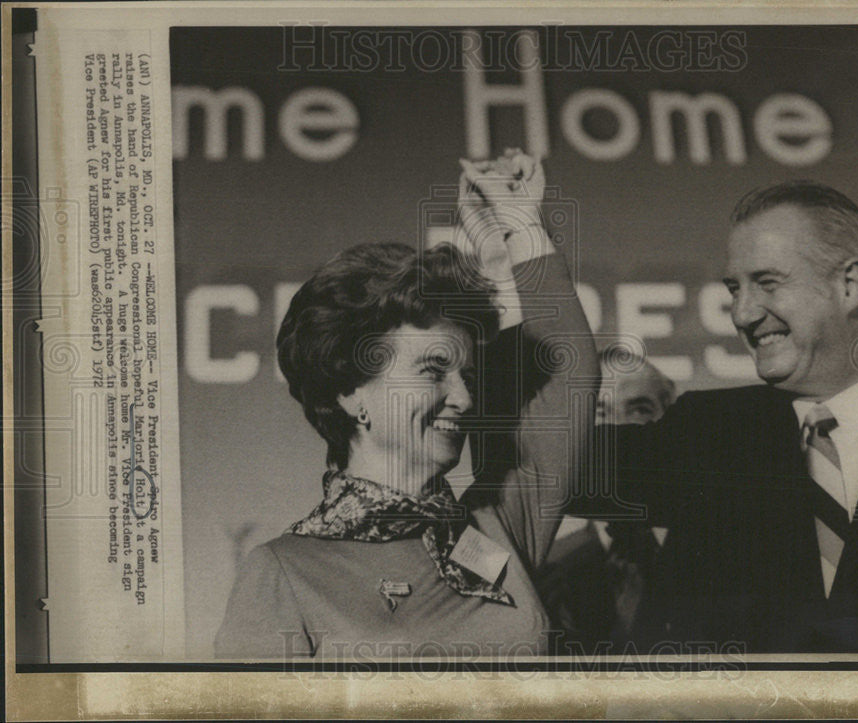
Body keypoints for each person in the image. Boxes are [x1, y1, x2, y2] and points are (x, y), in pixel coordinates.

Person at [214, 152, 598, 659]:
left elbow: (568, 373)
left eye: (467, 375)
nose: (463, 397)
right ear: (351, 391)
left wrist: (519, 228)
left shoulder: (495, 532)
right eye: (434, 369)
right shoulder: (285, 571)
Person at [576, 180, 858, 653]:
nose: (742, 314)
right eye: (734, 289)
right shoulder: (706, 432)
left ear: (849, 284)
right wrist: (523, 253)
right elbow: (554, 465)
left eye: (767, 283)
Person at [538, 345, 675, 653]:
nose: (618, 427)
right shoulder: (547, 569)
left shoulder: (721, 556)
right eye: (599, 412)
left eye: (639, 410)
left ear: (669, 421)